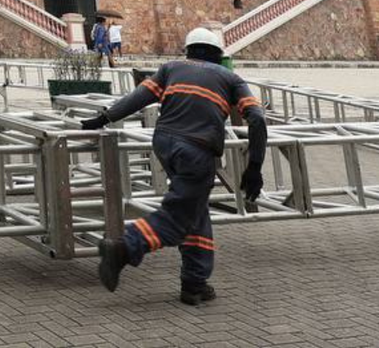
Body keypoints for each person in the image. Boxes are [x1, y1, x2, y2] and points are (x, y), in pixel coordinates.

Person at [80, 26, 267, 305]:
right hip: (197, 150)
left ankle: (194, 283)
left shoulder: (170, 68)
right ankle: (124, 247)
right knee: (179, 216)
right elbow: (257, 119)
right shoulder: (231, 78)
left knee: (194, 210)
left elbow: (137, 98)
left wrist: (103, 118)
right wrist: (254, 166)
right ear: (218, 54)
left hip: (165, 144)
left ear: (188, 51)